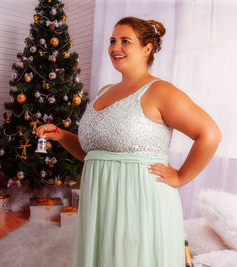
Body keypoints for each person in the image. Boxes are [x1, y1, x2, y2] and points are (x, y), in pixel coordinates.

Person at [36, 16, 221, 267]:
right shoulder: (104, 92)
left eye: (126, 41)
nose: (115, 48)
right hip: (99, 201)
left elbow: (209, 134)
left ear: (147, 48)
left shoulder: (160, 91)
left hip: (139, 201)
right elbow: (93, 152)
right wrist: (60, 135)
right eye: (113, 41)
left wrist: (180, 177)